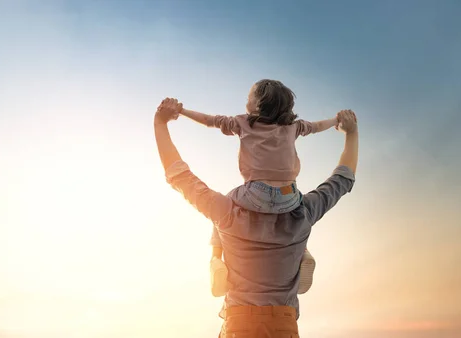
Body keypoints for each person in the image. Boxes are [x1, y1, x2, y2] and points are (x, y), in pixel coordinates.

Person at [153, 98, 359, 338]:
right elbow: (342, 180)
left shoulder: (226, 210)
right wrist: (351, 133)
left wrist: (161, 123)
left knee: (219, 225)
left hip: (239, 322)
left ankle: (217, 259)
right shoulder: (305, 210)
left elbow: (179, 175)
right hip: (284, 323)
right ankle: (298, 253)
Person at [179, 79, 339, 297]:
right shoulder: (293, 126)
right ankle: (303, 252)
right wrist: (336, 120)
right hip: (289, 196)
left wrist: (182, 111)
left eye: (249, 96)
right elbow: (318, 126)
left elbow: (210, 121)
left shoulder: (243, 122)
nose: (246, 99)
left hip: (255, 193)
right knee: (302, 216)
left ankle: (216, 258)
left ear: (259, 104)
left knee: (222, 207)